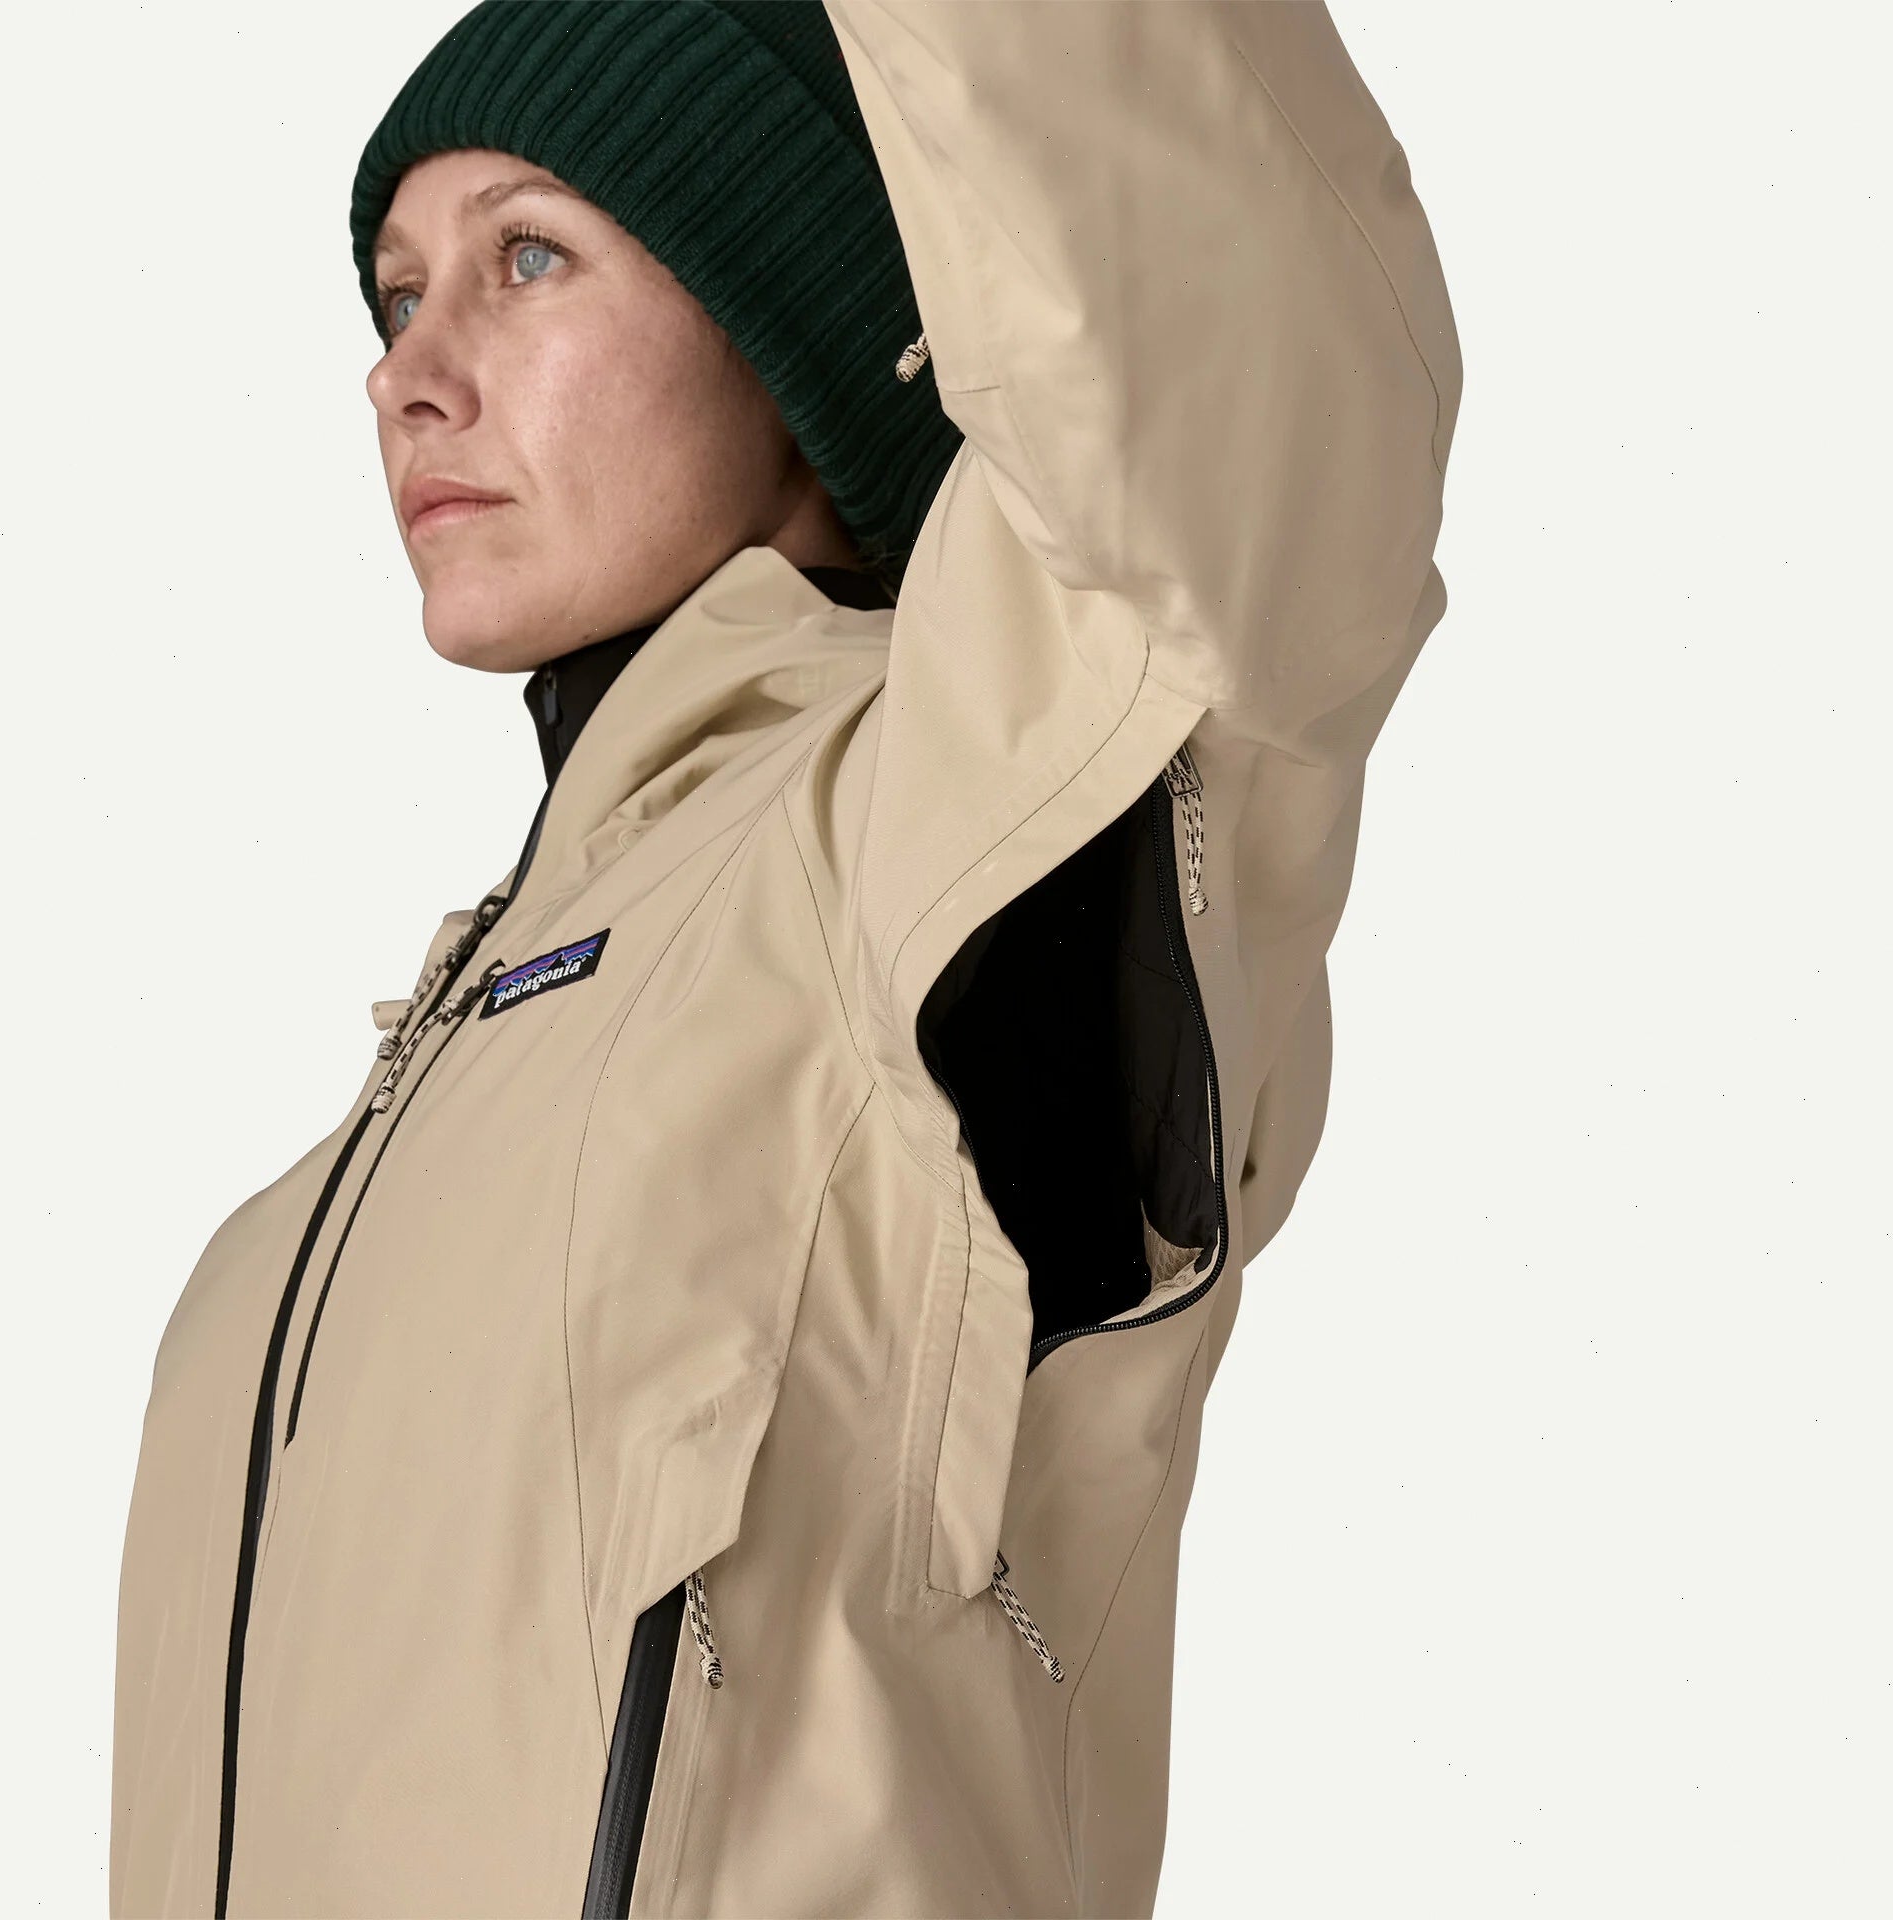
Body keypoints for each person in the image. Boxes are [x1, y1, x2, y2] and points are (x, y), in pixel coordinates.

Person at [110, 2, 1462, 1914]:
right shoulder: (441, 1073)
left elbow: (1242, 351)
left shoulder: (958, 828)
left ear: (796, 315)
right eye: (398, 294)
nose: (407, 372)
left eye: (526, 256)